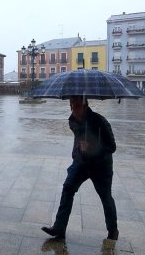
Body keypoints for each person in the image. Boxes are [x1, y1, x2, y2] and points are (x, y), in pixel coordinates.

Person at [41, 96, 119, 240]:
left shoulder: (100, 121)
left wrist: (93, 147)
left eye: (76, 105)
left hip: (101, 165)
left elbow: (112, 146)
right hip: (82, 162)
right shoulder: (73, 120)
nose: (73, 109)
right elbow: (78, 140)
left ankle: (113, 231)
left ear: (85, 105)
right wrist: (77, 153)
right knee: (68, 187)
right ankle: (59, 227)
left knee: (105, 196)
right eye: (71, 105)